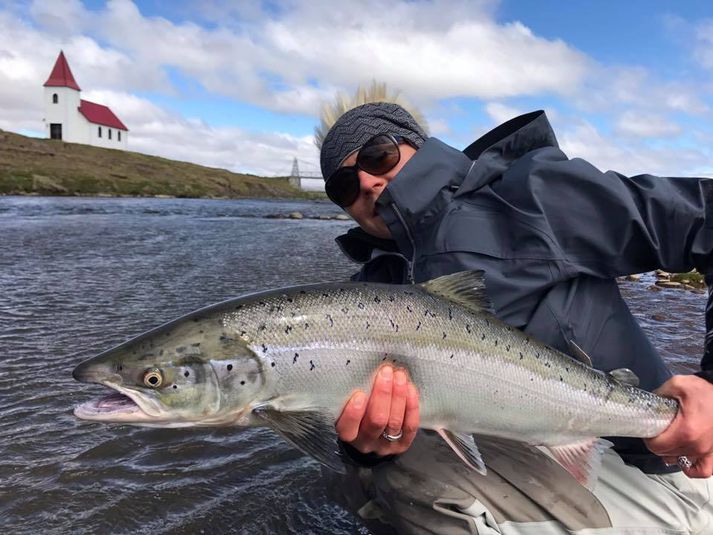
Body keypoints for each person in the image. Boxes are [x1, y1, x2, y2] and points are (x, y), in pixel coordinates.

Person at [314, 84, 713, 534]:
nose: (367, 181)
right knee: (356, 475)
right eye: (345, 186)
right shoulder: (370, 292)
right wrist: (367, 446)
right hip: (540, 471)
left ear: (417, 146)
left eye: (378, 154)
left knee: (409, 474)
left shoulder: (528, 197)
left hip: (658, 471)